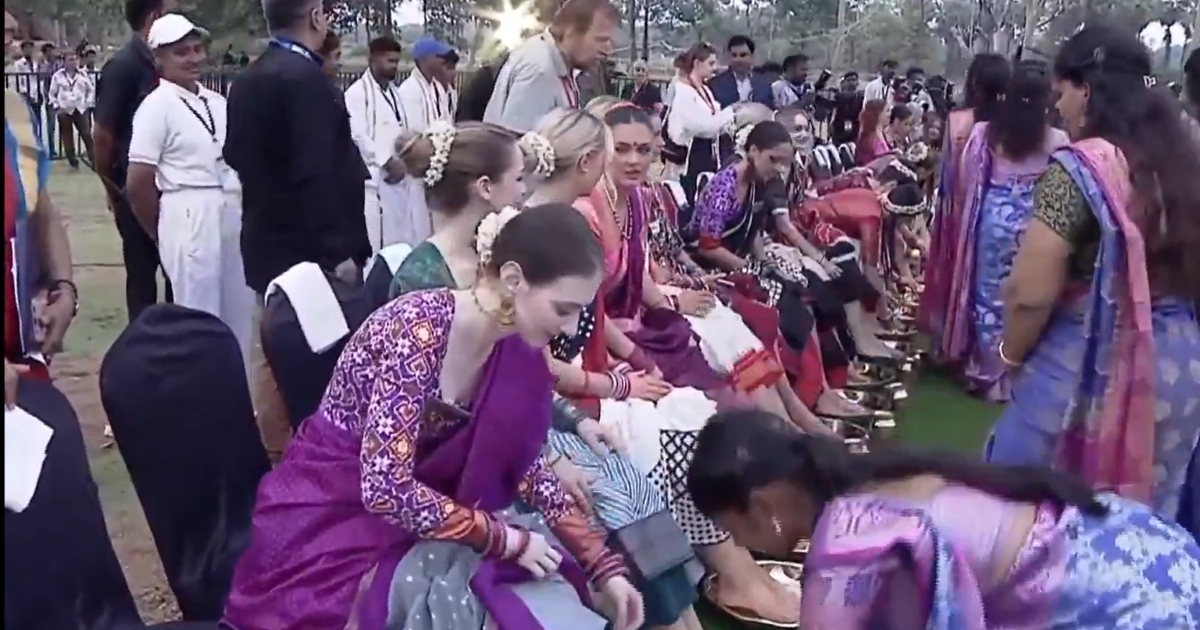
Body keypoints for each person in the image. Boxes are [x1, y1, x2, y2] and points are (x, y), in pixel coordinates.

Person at [224, 200, 645, 630]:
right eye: (563, 309)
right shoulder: (419, 332)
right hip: (333, 521)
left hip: (430, 511)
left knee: (532, 578)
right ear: (514, 279)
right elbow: (384, 488)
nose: (573, 329)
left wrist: (601, 564)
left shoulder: (516, 347)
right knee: (467, 602)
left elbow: (523, 461)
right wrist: (502, 538)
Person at [387, 116, 703, 630]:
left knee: (620, 481)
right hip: (429, 492)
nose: (527, 189)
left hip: (494, 461)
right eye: (519, 179)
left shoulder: (501, 292)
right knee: (598, 494)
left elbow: (519, 392)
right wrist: (509, 529)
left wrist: (566, 435)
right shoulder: (425, 307)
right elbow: (392, 478)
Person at [688, 409, 1200, 628]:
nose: (740, 543)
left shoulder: (846, 543)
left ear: (760, 508)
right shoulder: (877, 474)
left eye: (734, 530)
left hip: (1124, 606)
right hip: (1141, 547)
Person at [988, 26, 1200, 531]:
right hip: (1179, 372)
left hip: (1093, 363)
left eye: (1061, 92)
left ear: (1086, 88)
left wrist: (1011, 357)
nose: (1058, 108)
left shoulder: (1081, 168)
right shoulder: (1181, 162)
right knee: (1144, 527)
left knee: (1019, 513)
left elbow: (1029, 294)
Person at [3, 11, 142, 626]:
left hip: (25, 386)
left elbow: (41, 211)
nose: (11, 44)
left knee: (66, 558)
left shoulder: (10, 111)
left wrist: (62, 283)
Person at [225, 0, 371, 461]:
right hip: (310, 249)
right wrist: (338, 250)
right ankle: (308, 458)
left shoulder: (249, 77)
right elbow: (317, 170)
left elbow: (235, 155)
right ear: (315, 18)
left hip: (266, 236)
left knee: (269, 349)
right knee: (313, 363)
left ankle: (278, 452)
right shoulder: (305, 79)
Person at [125, 14, 253, 369]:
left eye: (198, 49)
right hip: (186, 207)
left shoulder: (216, 102)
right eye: (182, 52)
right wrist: (161, 229)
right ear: (159, 59)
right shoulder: (155, 107)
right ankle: (201, 398)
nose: (194, 58)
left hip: (227, 204)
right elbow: (138, 181)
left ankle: (236, 399)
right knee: (198, 313)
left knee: (237, 309)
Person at [940, 60, 1069, 402]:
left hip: (993, 222)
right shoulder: (1057, 138)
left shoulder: (987, 131)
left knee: (987, 300)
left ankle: (987, 372)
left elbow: (966, 177)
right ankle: (1019, 373)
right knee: (1026, 294)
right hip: (1036, 226)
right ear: (1047, 98)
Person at [94, 0, 178, 323]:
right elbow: (103, 135)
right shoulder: (124, 67)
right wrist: (114, 192)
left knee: (177, 280)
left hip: (171, 192)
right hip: (135, 190)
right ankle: (143, 355)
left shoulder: (166, 64)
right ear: (154, 17)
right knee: (142, 280)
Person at [921, 53, 1008, 345]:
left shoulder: (958, 121)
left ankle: (955, 338)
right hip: (997, 212)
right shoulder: (1011, 125)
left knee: (959, 275)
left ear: (973, 83)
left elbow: (947, 171)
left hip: (959, 208)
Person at [484, 0, 619, 131]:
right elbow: (519, 144)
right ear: (570, 32)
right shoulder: (540, 70)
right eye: (601, 40)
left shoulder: (551, 61)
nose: (608, 51)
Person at [345, 36, 409, 252]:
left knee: (398, 239)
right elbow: (357, 135)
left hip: (397, 178)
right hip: (372, 178)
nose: (394, 67)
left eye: (396, 62)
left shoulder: (394, 93)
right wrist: (386, 160)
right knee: (374, 243)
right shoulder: (356, 93)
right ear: (373, 59)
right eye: (389, 61)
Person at [394, 36, 458, 241]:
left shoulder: (436, 88)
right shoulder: (410, 90)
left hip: (435, 165)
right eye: (439, 57)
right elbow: (414, 134)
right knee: (418, 226)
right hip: (419, 166)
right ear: (425, 59)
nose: (443, 61)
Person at [664, 43, 736, 204]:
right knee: (691, 198)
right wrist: (731, 112)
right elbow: (702, 126)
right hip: (690, 156)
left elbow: (714, 120)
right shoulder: (683, 90)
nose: (715, 68)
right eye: (711, 64)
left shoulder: (704, 89)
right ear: (697, 64)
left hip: (708, 153)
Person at [46, 49, 95, 169]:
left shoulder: (83, 74)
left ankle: (94, 159)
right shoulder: (57, 76)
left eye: (75, 59)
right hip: (65, 109)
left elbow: (90, 89)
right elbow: (52, 93)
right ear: (64, 61)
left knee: (86, 134)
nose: (73, 62)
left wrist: (87, 103)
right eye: (70, 59)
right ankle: (72, 160)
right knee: (67, 136)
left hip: (80, 108)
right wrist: (57, 106)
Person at [708, 35, 773, 109]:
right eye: (734, 55)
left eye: (743, 55)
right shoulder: (715, 85)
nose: (738, 59)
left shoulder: (764, 84)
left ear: (752, 56)